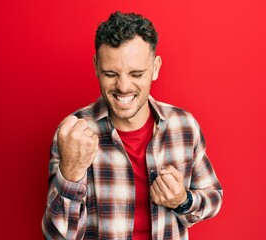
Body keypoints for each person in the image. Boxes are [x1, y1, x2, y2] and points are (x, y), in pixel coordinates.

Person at [42, 11, 223, 240]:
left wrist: (182, 201)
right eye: (110, 73)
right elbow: (55, 236)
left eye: (136, 73)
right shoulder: (72, 135)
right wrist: (70, 173)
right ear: (97, 66)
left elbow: (213, 197)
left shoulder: (184, 126)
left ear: (155, 67)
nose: (124, 86)